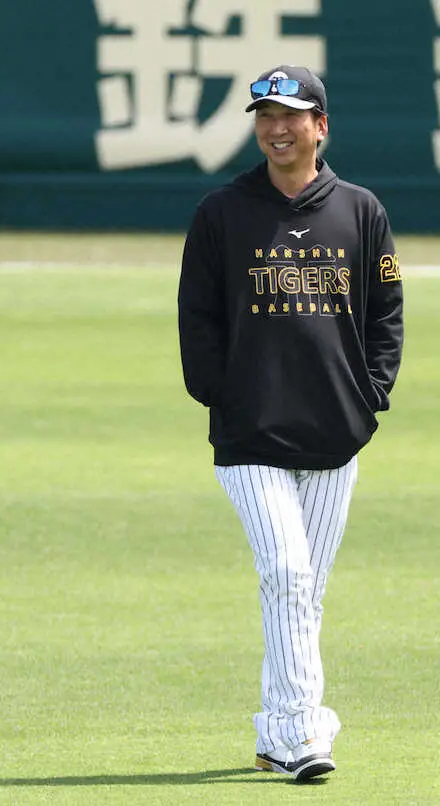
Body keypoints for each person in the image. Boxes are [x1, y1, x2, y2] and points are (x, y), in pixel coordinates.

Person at [178, 65, 404, 782]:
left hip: (335, 433)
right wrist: (218, 394)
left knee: (304, 590)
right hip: (251, 434)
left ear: (320, 126)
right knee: (285, 571)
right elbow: (197, 315)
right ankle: (305, 734)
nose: (277, 129)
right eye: (265, 116)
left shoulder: (361, 211)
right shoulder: (222, 212)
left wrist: (369, 396)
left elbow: (386, 314)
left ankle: (276, 732)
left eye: (290, 116)